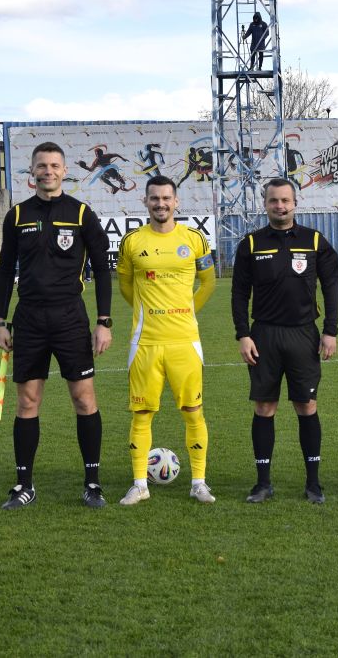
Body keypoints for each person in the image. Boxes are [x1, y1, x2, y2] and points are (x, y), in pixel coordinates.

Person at [0, 141, 113, 510]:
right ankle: (24, 484)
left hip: (70, 317)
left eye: (54, 165)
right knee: (27, 401)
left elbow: (102, 269)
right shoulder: (17, 216)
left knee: (84, 399)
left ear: (64, 171)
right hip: (29, 318)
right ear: (32, 171)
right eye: (42, 166)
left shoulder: (81, 214)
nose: (48, 171)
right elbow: (4, 271)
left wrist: (104, 321)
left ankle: (92, 484)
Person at [231, 178, 338, 504]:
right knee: (265, 407)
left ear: (295, 203)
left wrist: (330, 330)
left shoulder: (314, 241)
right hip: (264, 335)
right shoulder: (251, 244)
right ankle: (262, 483)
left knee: (306, 405)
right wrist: (243, 334)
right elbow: (239, 293)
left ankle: (313, 484)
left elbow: (332, 286)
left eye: (285, 200)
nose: (280, 206)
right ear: (265, 204)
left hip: (303, 334)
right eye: (273, 200)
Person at [116, 175, 216, 506]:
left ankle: (199, 483)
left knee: (193, 411)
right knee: (142, 413)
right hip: (145, 343)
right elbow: (125, 285)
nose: (161, 203)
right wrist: (148, 312)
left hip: (185, 342)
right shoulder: (132, 241)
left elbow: (208, 283)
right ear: (145, 201)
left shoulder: (195, 239)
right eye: (154, 198)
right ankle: (139, 485)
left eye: (166, 198)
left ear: (176, 202)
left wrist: (186, 312)